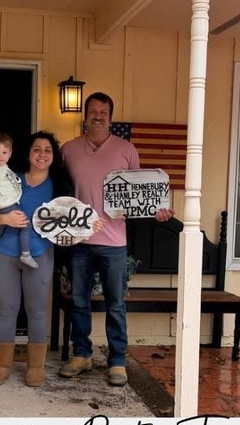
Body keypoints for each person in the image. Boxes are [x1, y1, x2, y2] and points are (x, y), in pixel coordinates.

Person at [58, 92, 174, 387]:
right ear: (85, 115)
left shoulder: (126, 149)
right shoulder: (68, 150)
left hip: (114, 243)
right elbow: (59, 190)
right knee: (79, 301)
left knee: (115, 304)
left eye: (103, 112)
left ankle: (117, 360)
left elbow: (139, 194)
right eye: (93, 111)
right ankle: (81, 355)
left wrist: (157, 210)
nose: (98, 116)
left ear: (110, 117)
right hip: (80, 240)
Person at [0, 130, 72, 387]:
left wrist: (93, 226)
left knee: (36, 311)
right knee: (7, 309)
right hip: (6, 252)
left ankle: (35, 366)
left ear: (53, 155)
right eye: (37, 149)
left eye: (47, 150)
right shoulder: (10, 178)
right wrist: (4, 218)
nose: (42, 154)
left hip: (40, 253)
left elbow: (73, 220)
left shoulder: (59, 185)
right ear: (28, 153)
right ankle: (1, 364)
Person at [0, 132, 38, 274]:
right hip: (7, 205)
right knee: (25, 225)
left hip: (8, 203)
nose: (1, 156)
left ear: (10, 153)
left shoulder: (3, 168)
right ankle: (26, 254)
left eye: (4, 152)